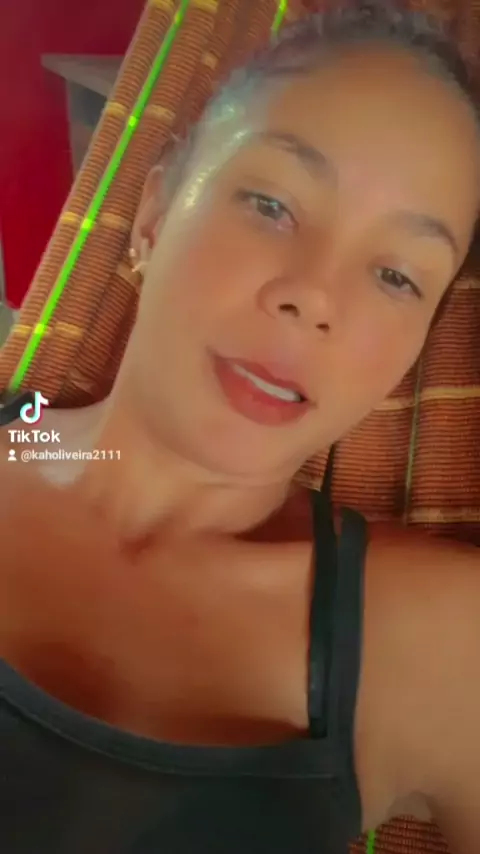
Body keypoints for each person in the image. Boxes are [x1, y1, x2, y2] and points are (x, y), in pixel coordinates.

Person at [1, 2, 480, 851]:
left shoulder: (435, 640)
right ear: (154, 216)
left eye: (398, 276)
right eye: (272, 204)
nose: (315, 296)